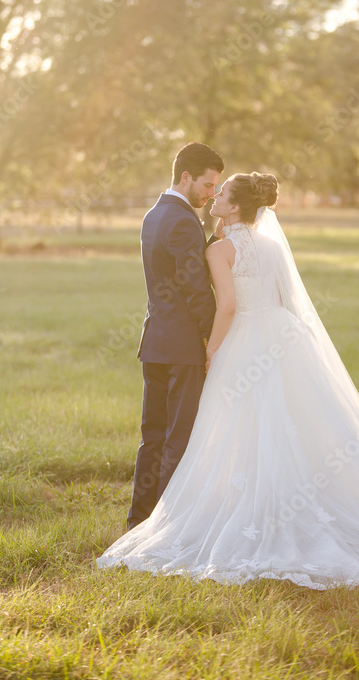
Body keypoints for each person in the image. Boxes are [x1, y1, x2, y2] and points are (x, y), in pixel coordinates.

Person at [99, 172, 359, 588]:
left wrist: (212, 351)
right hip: (283, 339)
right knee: (298, 429)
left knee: (239, 429)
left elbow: (226, 305)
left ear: (235, 206)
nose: (213, 198)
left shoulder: (219, 250)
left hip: (245, 338)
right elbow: (284, 299)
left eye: (221, 193)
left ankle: (247, 512)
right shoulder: (269, 245)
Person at [125, 141, 224, 531]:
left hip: (155, 344)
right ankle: (166, 530)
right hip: (183, 347)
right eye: (208, 184)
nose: (212, 193)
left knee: (153, 437)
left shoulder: (154, 215)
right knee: (177, 440)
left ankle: (138, 521)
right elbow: (197, 289)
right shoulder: (184, 221)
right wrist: (210, 338)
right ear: (186, 177)